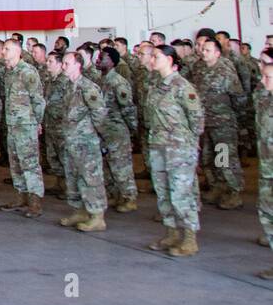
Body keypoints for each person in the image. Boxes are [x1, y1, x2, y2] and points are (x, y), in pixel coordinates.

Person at [144, 45, 204, 257]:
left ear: (170, 59)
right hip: (158, 145)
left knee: (181, 193)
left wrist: (190, 143)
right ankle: (171, 233)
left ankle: (189, 238)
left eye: (156, 56)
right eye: (151, 56)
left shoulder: (182, 86)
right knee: (163, 192)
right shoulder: (155, 85)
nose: (152, 59)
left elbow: (197, 120)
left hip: (179, 148)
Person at [58, 53, 110, 232]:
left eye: (67, 63)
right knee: (73, 176)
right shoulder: (68, 87)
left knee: (90, 177)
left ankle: (97, 216)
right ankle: (80, 210)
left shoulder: (88, 87)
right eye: (63, 63)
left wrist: (96, 136)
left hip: (86, 141)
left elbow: (100, 115)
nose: (63, 66)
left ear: (78, 65)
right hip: (70, 140)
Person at [194, 38, 245, 209]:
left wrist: (236, 118)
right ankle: (217, 187)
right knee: (208, 157)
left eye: (207, 50)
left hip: (222, 123)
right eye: (202, 49)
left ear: (217, 53)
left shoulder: (225, 70)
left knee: (223, 158)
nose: (203, 52)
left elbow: (238, 97)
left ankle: (233, 191)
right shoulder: (199, 68)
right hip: (205, 122)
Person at [0, 39, 46, 218]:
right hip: (12, 125)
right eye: (3, 49)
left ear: (18, 51)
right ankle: (21, 196)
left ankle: (35, 202)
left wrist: (37, 122)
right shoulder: (9, 72)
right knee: (16, 163)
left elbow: (38, 100)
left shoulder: (28, 72)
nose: (3, 52)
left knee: (30, 163)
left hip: (26, 125)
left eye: (7, 49)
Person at [95, 48, 138, 212]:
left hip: (117, 130)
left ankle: (129, 197)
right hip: (103, 130)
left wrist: (132, 130)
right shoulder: (101, 81)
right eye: (98, 57)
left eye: (102, 57)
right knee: (108, 166)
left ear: (112, 61)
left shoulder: (118, 82)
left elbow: (128, 108)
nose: (98, 60)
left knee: (121, 165)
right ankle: (115, 195)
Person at [43, 52, 71, 199]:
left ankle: (69, 187)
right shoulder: (50, 81)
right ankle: (59, 183)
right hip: (50, 123)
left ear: (60, 64)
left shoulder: (65, 81)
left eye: (50, 61)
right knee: (53, 155)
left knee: (64, 156)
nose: (47, 63)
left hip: (61, 124)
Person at [255, 62, 273, 279]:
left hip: (224, 128)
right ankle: (218, 183)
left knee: (224, 159)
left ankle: (231, 187)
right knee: (267, 213)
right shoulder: (265, 101)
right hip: (267, 166)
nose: (262, 81)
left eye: (267, 77)